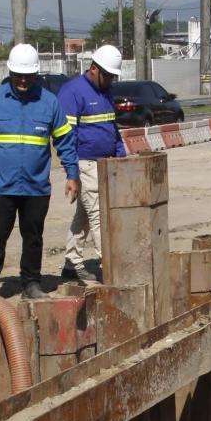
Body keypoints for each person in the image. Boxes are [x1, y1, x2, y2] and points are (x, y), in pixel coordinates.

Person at [0, 43, 79, 299]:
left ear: (36, 74)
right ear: (10, 72)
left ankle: (31, 283)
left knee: (33, 237)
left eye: (28, 76)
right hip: (0, 186)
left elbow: (64, 141)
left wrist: (72, 175)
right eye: (19, 76)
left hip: (35, 187)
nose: (23, 81)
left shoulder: (50, 103)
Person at [57, 43, 126, 282]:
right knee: (99, 215)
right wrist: (72, 172)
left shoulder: (106, 91)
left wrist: (120, 155)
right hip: (85, 163)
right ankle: (110, 265)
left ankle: (71, 262)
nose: (110, 80)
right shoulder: (72, 92)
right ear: (94, 68)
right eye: (107, 76)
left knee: (85, 215)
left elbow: (111, 128)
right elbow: (66, 137)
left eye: (113, 77)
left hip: (105, 164)